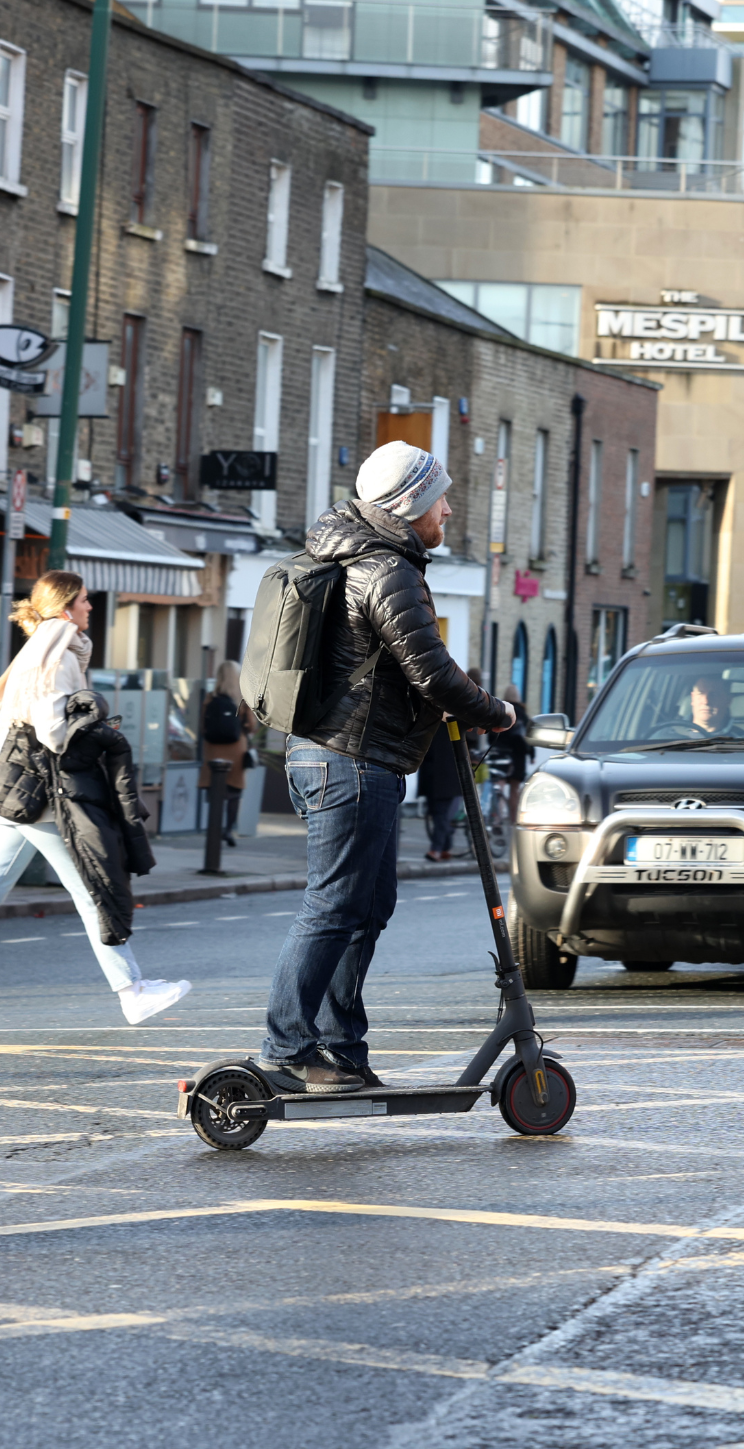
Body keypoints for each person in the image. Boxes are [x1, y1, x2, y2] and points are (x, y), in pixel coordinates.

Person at [257, 440, 515, 1094]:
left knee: (367, 907)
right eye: (440, 500)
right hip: (350, 762)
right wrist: (498, 712)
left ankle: (341, 1051)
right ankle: (287, 1049)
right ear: (409, 506)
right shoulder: (385, 571)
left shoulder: (357, 559)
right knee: (335, 905)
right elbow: (433, 673)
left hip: (339, 758)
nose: (448, 511)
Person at [0, 570, 189, 1032]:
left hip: (12, 793)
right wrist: (91, 716)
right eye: (83, 600)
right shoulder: (56, 654)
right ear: (65, 607)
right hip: (40, 799)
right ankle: (133, 992)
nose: (90, 607)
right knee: (90, 888)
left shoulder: (41, 647)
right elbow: (52, 732)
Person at [199, 659, 255, 847]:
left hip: (213, 750)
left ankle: (213, 829)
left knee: (216, 792)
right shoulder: (243, 698)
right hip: (236, 750)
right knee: (234, 793)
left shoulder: (209, 697)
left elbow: (202, 726)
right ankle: (228, 829)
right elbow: (251, 726)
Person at [416, 723, 462, 861]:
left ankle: (436, 849)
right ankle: (446, 847)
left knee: (440, 815)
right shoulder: (433, 720)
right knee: (437, 814)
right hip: (433, 776)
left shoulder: (452, 723)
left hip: (446, 776)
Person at [490, 682, 533, 823]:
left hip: (501, 755)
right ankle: (514, 821)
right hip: (518, 756)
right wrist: (532, 755)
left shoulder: (500, 712)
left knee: (499, 787)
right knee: (514, 790)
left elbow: (491, 736)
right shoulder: (524, 715)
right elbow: (529, 737)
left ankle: (497, 818)